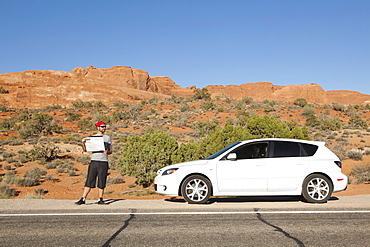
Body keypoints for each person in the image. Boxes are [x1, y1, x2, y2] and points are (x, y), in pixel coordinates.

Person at [75, 121, 112, 205]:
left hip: (103, 161)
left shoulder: (107, 138)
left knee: (102, 180)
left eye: (105, 126)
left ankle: (100, 199)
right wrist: (83, 143)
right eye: (102, 127)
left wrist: (107, 152)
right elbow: (85, 150)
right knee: (90, 179)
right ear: (98, 128)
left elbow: (111, 150)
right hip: (94, 161)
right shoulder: (92, 138)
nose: (104, 128)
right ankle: (83, 198)